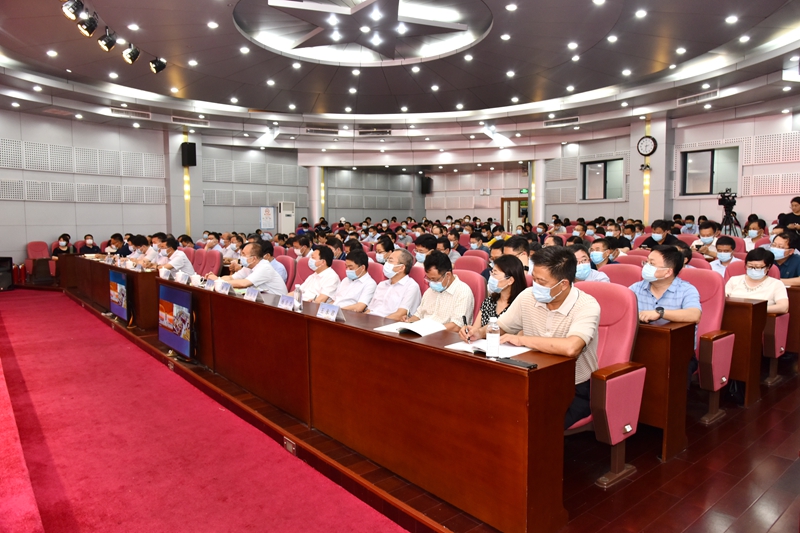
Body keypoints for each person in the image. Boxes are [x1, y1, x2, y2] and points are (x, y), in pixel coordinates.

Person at [460, 246, 601, 430]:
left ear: (564, 284)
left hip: (572, 387)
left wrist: (522, 340)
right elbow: (502, 326)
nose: (535, 285)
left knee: (529, 423)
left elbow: (571, 348)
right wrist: (479, 332)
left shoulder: (586, 305)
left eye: (541, 281)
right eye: (534, 278)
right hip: (530, 378)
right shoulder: (528, 296)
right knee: (486, 404)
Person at [628, 247, 701, 350]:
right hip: (640, 348)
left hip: (676, 351)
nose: (646, 266)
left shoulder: (687, 290)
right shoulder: (636, 288)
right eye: (646, 262)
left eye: (651, 264)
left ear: (668, 272)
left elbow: (694, 315)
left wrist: (660, 313)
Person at [404, 251, 473, 331]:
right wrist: (409, 321)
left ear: (448, 275)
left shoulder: (463, 292)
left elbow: (457, 326)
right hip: (424, 333)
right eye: (428, 279)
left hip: (445, 335)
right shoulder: (430, 291)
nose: (431, 283)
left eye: (434, 279)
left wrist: (430, 330)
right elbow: (418, 315)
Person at [207, 242, 286, 295]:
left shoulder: (265, 267)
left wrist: (218, 281)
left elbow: (244, 283)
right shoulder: (249, 266)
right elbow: (231, 278)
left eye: (244, 254)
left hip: (277, 303)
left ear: (254, 258)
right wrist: (217, 278)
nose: (241, 257)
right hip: (263, 299)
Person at [725, 248, 789, 314]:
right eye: (750, 266)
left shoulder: (776, 284)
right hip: (733, 315)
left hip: (761, 317)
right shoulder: (734, 280)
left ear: (768, 267)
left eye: (758, 267)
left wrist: (755, 310)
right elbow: (723, 300)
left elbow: (783, 307)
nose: (753, 270)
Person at [365, 249, 421, 319]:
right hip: (371, 320)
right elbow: (369, 310)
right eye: (387, 260)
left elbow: (400, 314)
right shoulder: (381, 284)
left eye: (390, 261)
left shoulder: (411, 286)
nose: (386, 264)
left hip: (387, 323)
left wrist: (379, 323)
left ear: (401, 268)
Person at [479, 254, 527, 326]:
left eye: (495, 274)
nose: (491, 277)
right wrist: (469, 330)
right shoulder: (489, 301)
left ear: (510, 280)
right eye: (492, 273)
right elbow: (475, 329)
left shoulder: (521, 306)